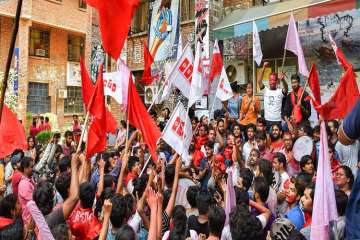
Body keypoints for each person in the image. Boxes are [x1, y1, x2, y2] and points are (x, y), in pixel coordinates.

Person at [257, 62, 288, 129]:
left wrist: (283, 80)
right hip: (267, 120)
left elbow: (286, 89)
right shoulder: (265, 90)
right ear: (269, 81)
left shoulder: (280, 91)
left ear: (277, 81)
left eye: (274, 80)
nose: (272, 82)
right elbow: (259, 81)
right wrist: (264, 68)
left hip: (277, 121)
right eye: (270, 80)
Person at [17, 157, 35, 228]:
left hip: (32, 219)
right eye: (31, 167)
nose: (33, 169)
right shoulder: (24, 184)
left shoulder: (29, 180)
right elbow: (34, 202)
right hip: (29, 221)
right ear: (25, 168)